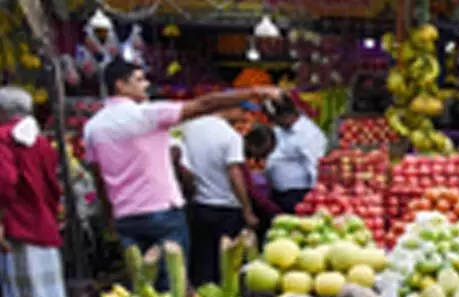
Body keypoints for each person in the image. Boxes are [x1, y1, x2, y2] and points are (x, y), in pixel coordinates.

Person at [83, 58, 280, 284]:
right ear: (120, 85)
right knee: (173, 287)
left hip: (125, 218)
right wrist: (254, 92)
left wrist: (110, 217)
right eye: (139, 80)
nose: (146, 84)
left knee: (142, 287)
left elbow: (99, 177)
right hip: (161, 213)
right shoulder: (147, 116)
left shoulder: (93, 127)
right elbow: (204, 104)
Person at [0, 87, 68, 297]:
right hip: (44, 222)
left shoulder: (3, 139)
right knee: (49, 294)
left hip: (18, 225)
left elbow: (5, 182)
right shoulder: (39, 141)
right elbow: (53, 184)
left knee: (23, 295)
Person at [181, 103, 257, 285]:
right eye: (244, 112)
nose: (245, 118)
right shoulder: (231, 137)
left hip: (200, 204)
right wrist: (247, 209)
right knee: (227, 265)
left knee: (202, 260)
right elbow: (234, 173)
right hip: (227, 207)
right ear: (233, 109)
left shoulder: (190, 128)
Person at [264, 96, 326, 213]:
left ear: (287, 115)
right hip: (277, 192)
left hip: (297, 193)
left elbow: (314, 166)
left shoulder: (308, 134)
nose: (273, 122)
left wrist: (313, 199)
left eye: (275, 119)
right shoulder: (279, 129)